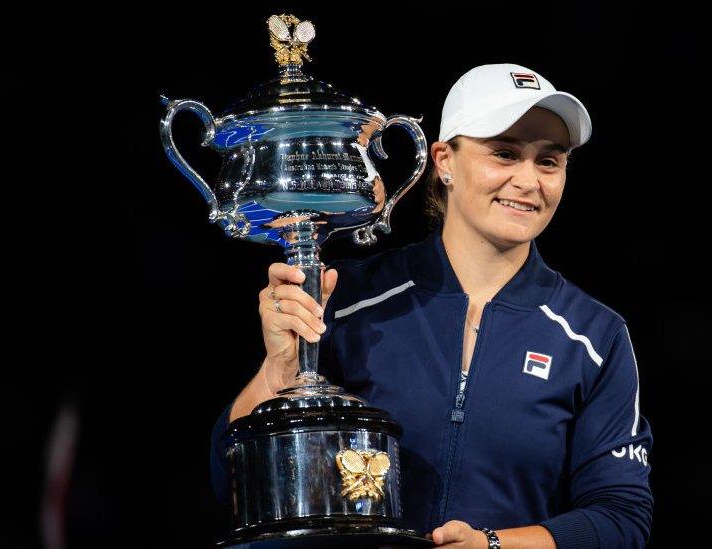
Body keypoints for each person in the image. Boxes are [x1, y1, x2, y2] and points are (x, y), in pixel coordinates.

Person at [211, 63, 654, 548]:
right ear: (443, 161)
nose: (529, 180)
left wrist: (494, 545)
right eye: (504, 153)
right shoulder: (348, 298)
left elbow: (621, 518)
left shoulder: (594, 336)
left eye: (549, 161)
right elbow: (232, 482)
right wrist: (279, 371)